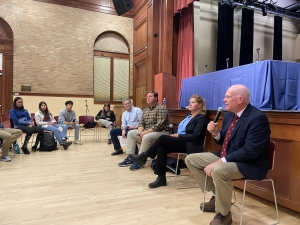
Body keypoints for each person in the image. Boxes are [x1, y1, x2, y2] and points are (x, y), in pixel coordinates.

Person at [185, 84, 270, 225]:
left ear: (240, 99)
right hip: (228, 157)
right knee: (191, 159)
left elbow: (250, 150)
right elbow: (224, 140)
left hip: (250, 163)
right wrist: (216, 134)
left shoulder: (258, 118)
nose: (224, 99)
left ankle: (224, 214)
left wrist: (221, 161)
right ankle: (216, 197)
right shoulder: (230, 114)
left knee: (218, 170)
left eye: (228, 97)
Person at [129, 94, 208, 188]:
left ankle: (144, 156)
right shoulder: (188, 116)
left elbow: (195, 136)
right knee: (162, 147)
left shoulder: (201, 118)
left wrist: (178, 135)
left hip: (190, 144)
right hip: (179, 141)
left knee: (163, 137)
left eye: (193, 102)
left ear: (199, 105)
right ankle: (161, 178)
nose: (190, 104)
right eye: (190, 102)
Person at [118, 90, 170, 171]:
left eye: (150, 96)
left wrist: (145, 132)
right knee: (131, 133)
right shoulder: (146, 110)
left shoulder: (161, 108)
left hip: (162, 132)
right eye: (147, 96)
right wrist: (139, 132)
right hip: (148, 132)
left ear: (156, 98)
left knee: (146, 137)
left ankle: (140, 161)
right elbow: (141, 123)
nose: (148, 98)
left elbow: (159, 125)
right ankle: (131, 157)